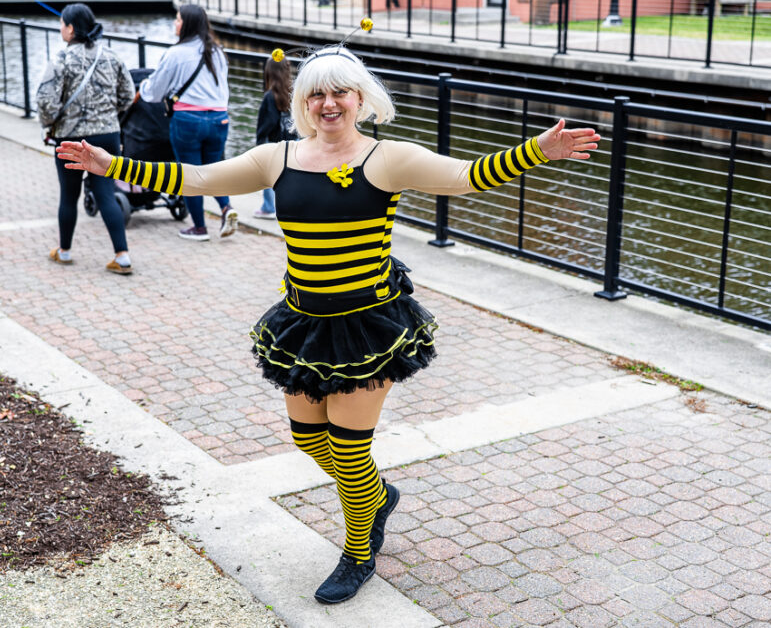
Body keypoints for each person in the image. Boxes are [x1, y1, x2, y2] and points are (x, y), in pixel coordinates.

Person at [56, 44, 600, 604]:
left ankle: (359, 552)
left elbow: (466, 176)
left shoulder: (385, 158)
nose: (328, 102)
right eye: (316, 93)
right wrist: (111, 165)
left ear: (360, 99)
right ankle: (377, 496)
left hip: (367, 326)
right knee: (308, 438)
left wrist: (537, 150)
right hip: (304, 322)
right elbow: (196, 177)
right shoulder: (278, 158)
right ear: (302, 102)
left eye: (340, 91)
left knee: (348, 449)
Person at [36, 3, 135, 274]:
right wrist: (108, 116)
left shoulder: (61, 59)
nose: (60, 29)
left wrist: (50, 124)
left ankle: (65, 252)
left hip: (71, 137)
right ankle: (122, 256)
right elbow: (128, 95)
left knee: (69, 196)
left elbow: (46, 102)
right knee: (106, 194)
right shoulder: (111, 55)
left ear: (70, 29)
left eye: (61, 24)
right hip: (108, 135)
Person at [138, 4, 236, 242]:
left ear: (188, 24)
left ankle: (199, 228)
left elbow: (154, 92)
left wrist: (142, 86)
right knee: (213, 170)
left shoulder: (175, 54)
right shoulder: (218, 52)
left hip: (188, 121)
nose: (175, 23)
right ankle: (226, 208)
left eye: (178, 19)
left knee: (190, 175)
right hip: (219, 119)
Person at [253, 50, 297, 221]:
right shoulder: (293, 92)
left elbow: (267, 122)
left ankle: (269, 207)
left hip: (274, 143)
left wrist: (260, 142)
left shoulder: (270, 96)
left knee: (267, 175)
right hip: (293, 141)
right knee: (289, 176)